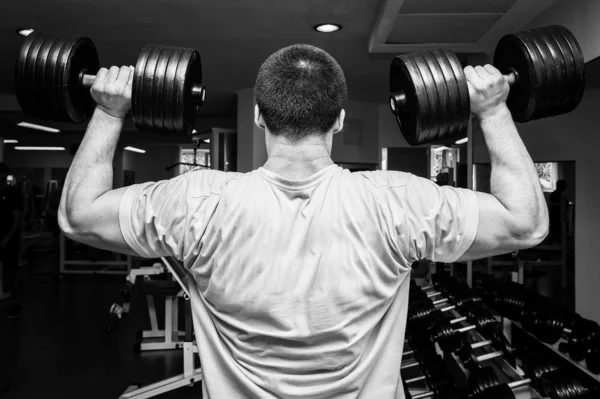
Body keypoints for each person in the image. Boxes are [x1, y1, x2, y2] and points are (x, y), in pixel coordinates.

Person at [58, 46, 548, 398]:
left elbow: (78, 216)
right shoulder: (397, 201)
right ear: (338, 120)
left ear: (256, 116)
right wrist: (494, 110)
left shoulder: (197, 200)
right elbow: (526, 225)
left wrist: (106, 111)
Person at [0, 162, 23, 319]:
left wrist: (6, 239)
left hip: (9, 239)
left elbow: (16, 220)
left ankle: (14, 306)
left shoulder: (13, 193)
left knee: (10, 272)